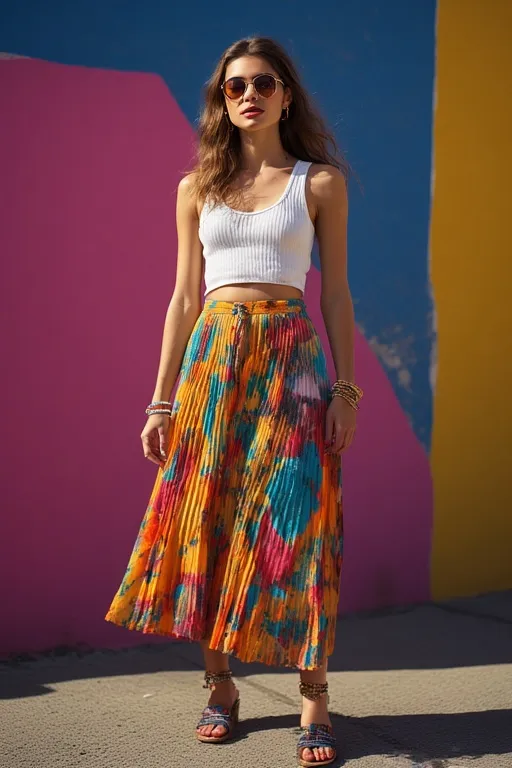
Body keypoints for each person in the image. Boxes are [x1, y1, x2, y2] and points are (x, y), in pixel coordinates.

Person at [105, 35, 362, 767]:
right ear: (221, 100)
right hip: (213, 363)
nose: (248, 94)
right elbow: (185, 296)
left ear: (286, 94)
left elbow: (335, 293)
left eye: (264, 82)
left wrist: (345, 388)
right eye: (233, 85)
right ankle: (220, 687)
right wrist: (160, 402)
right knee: (207, 520)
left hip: (291, 362)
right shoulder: (198, 187)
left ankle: (313, 693)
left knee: (298, 521)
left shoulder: (318, 183)